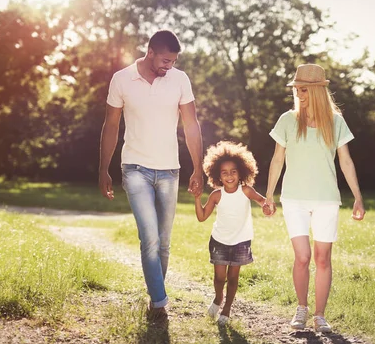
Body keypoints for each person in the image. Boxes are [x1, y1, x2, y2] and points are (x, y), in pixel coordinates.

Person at [98, 30, 203, 321]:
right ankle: (159, 302)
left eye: (173, 62)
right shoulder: (122, 79)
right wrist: (103, 168)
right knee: (150, 238)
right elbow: (111, 126)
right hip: (134, 168)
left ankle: (156, 294)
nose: (169, 66)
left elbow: (191, 123)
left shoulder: (180, 80)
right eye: (165, 60)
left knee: (164, 241)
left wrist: (198, 166)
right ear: (151, 51)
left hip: (170, 170)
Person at [264, 64, 365, 333]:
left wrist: (357, 197)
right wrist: (269, 194)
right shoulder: (287, 119)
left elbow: (346, 161)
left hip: (326, 199)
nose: (298, 93)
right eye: (296, 89)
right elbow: (277, 159)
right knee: (302, 256)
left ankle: (320, 315)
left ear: (319, 90)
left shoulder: (336, 122)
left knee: (322, 259)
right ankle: (301, 308)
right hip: (294, 198)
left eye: (303, 89)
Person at [194, 141, 272, 325]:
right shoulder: (216, 195)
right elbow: (202, 217)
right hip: (219, 241)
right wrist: (197, 198)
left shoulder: (246, 190)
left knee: (233, 277)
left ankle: (227, 309)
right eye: (224, 172)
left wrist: (267, 208)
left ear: (242, 172)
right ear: (218, 175)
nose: (229, 176)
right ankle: (218, 298)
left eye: (233, 171)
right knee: (219, 278)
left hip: (241, 241)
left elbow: (262, 202)